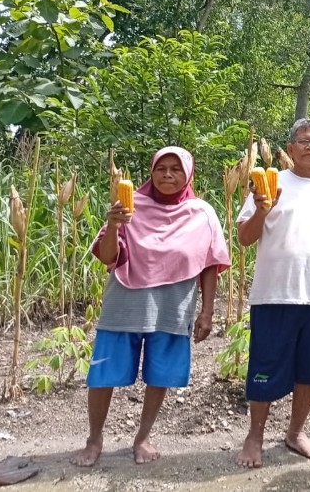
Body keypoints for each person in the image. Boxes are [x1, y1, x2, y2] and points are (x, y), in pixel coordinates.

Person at [72, 147, 230, 467]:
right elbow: (106, 257)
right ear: (151, 172)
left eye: (176, 169)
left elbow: (210, 266)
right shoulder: (130, 207)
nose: (168, 175)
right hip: (125, 302)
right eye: (161, 168)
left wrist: (207, 311)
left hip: (174, 306)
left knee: (160, 375)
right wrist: (114, 225)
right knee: (104, 374)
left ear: (188, 175)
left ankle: (143, 436)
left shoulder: (202, 213)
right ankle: (94, 438)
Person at [235, 118, 310, 468]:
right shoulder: (269, 184)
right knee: (265, 366)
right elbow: (245, 238)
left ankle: (295, 432)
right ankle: (255, 436)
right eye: (303, 141)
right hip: (274, 294)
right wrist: (263, 209)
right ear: (290, 150)